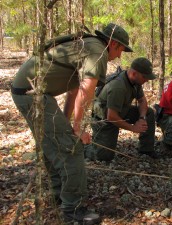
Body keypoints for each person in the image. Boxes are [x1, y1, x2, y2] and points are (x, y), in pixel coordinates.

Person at [10, 23, 132, 224]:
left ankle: (59, 197)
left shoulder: (87, 45)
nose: (119, 56)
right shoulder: (98, 52)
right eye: (120, 49)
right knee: (71, 150)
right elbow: (86, 90)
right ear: (113, 43)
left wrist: (67, 123)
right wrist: (77, 129)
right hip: (34, 94)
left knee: (53, 146)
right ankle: (73, 210)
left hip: (28, 91)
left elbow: (73, 89)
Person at [85, 57, 157, 162]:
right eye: (144, 77)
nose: (146, 80)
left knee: (149, 112)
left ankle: (146, 149)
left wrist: (142, 118)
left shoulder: (135, 81)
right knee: (103, 156)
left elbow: (142, 101)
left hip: (121, 111)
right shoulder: (118, 87)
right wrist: (133, 128)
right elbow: (111, 117)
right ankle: (81, 147)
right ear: (134, 73)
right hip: (105, 120)